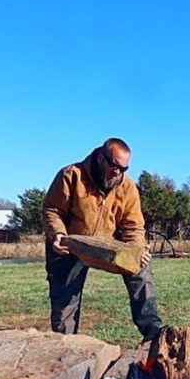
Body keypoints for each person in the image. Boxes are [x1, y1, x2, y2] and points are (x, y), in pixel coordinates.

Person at [43, 137, 164, 342]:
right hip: (69, 246)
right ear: (101, 157)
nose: (118, 172)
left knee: (141, 268)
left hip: (106, 246)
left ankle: (152, 328)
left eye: (123, 169)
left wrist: (137, 250)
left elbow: (133, 226)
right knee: (64, 305)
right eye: (114, 165)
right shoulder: (71, 175)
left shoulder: (128, 188)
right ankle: (65, 344)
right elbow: (52, 209)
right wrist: (57, 235)